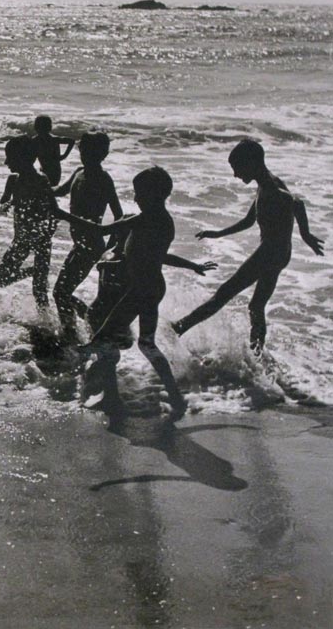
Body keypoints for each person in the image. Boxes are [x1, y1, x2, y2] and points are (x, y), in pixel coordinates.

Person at [78, 168, 217, 421]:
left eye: (139, 192)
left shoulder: (144, 220)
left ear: (155, 194)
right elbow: (155, 256)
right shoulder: (163, 221)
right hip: (152, 286)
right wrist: (192, 265)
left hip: (141, 290)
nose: (135, 198)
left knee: (102, 337)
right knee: (146, 344)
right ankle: (174, 397)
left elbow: (102, 231)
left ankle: (95, 389)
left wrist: (62, 214)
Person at [173, 140, 323, 353]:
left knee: (224, 292)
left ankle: (179, 327)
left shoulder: (270, 187)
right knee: (256, 305)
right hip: (279, 252)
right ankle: (257, 352)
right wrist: (218, 234)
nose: (235, 174)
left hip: (270, 252)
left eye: (237, 168)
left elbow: (295, 202)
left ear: (252, 163)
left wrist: (305, 234)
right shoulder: (264, 184)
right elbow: (249, 221)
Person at [52, 132, 123, 341]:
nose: (87, 155)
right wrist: (37, 186)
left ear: (104, 154)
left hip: (92, 246)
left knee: (60, 293)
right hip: (80, 244)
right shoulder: (78, 172)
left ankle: (73, 334)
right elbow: (59, 191)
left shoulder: (103, 179)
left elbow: (118, 216)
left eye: (93, 152)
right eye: (84, 150)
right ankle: (92, 323)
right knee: (61, 292)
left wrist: (110, 251)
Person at [0, 136, 58, 311]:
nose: (6, 162)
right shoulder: (13, 180)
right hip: (21, 240)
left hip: (41, 241)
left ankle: (48, 328)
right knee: (0, 279)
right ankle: (31, 271)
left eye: (10, 157)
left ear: (24, 158)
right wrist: (9, 203)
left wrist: (50, 231)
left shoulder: (41, 180)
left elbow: (55, 211)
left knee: (40, 293)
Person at [33, 115, 75, 186]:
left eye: (44, 127)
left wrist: (64, 156)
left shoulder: (54, 139)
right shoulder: (34, 140)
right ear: (36, 128)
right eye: (39, 127)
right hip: (43, 169)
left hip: (55, 171)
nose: (41, 130)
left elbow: (71, 141)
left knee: (51, 189)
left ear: (49, 128)